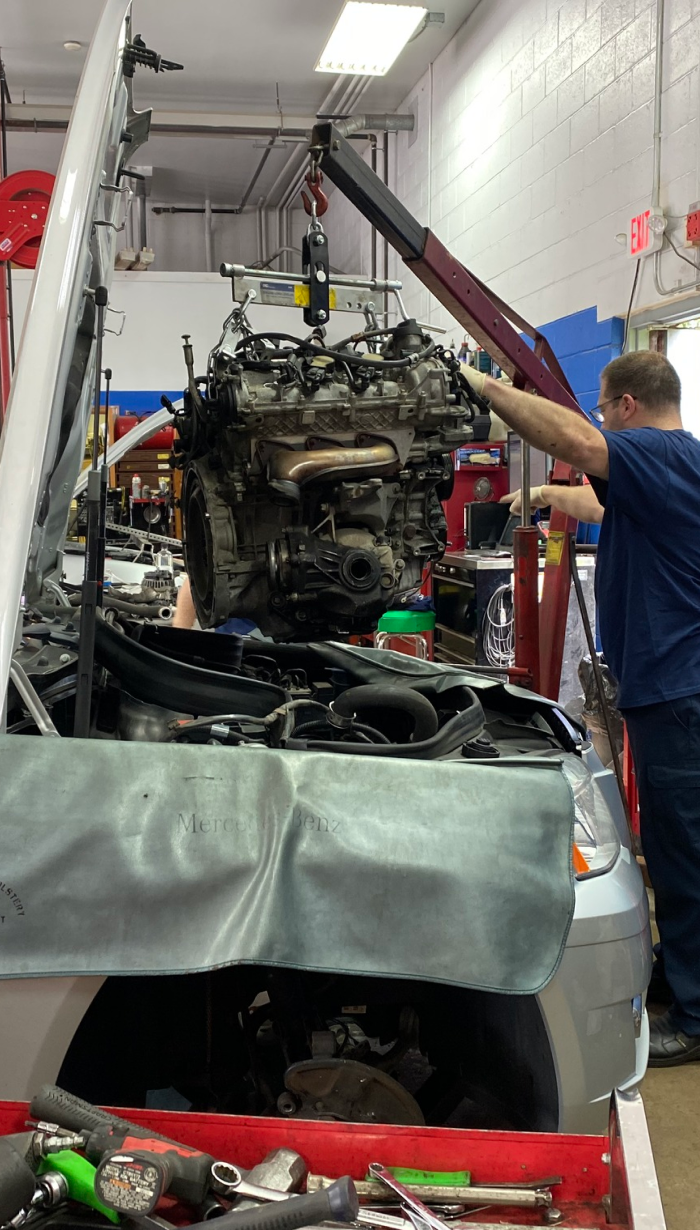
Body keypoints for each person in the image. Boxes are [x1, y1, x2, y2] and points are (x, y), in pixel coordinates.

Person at [464, 350, 700, 1067]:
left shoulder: (658, 451)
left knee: (687, 854)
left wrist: (484, 385)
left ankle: (697, 1016)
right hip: (668, 691)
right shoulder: (670, 470)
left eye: (602, 408)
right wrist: (543, 497)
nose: (600, 422)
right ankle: (679, 972)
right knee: (671, 846)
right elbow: (597, 504)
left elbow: (574, 441)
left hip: (679, 692)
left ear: (627, 405)